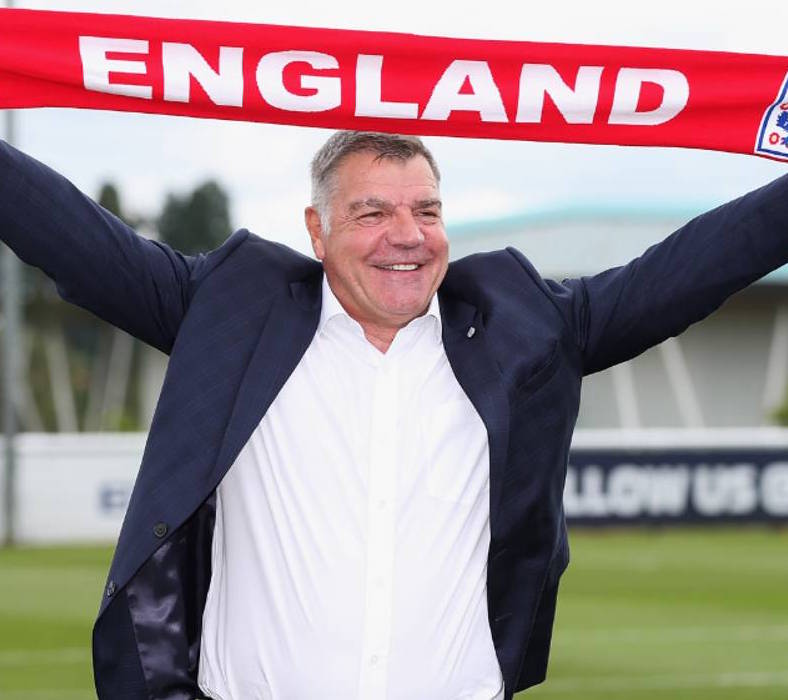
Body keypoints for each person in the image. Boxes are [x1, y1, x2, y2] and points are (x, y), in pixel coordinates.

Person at [1, 130, 787, 700]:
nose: (406, 236)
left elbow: (693, 268)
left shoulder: (525, 328)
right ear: (318, 230)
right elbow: (72, 239)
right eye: (373, 212)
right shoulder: (232, 315)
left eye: (427, 210)